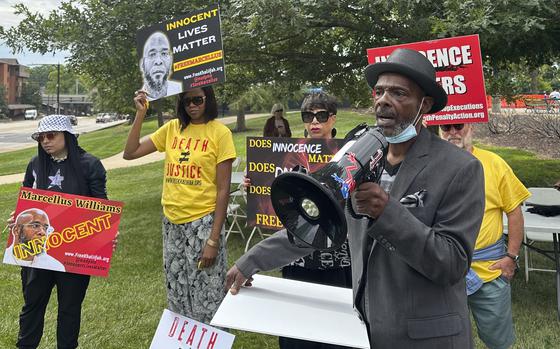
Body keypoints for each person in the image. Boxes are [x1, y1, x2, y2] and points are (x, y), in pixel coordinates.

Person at [226, 48, 485, 348]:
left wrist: (386, 212)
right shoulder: (358, 157)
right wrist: (252, 260)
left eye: (399, 93)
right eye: (379, 91)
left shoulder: (460, 168)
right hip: (365, 331)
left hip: (425, 337)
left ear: (424, 105)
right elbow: (317, 224)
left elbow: (451, 263)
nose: (383, 100)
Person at [124, 86, 236, 324]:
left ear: (209, 100)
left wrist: (213, 240)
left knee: (208, 296)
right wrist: (141, 114)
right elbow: (130, 153)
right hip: (172, 222)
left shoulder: (220, 133)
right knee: (178, 294)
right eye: (187, 102)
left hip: (203, 222)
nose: (192, 106)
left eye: (198, 100)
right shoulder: (173, 129)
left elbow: (223, 190)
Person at [255, 92, 352, 349]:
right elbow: (277, 195)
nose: (314, 122)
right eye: (308, 116)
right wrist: (254, 187)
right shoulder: (290, 153)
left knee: (338, 331)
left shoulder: (349, 152)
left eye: (321, 116)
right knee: (297, 331)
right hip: (296, 255)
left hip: (337, 255)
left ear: (332, 118)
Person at [12, 114, 107, 349]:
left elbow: (102, 208)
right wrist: (18, 218)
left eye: (51, 135)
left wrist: (105, 236)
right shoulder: (35, 165)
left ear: (67, 135)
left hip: (73, 252)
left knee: (69, 309)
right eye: (41, 137)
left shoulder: (90, 164)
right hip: (37, 251)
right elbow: (27, 200)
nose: (45, 141)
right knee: (32, 305)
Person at [440, 122, 530, 349]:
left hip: (489, 270)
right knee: (445, 340)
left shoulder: (494, 163)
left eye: (458, 126)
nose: (452, 133)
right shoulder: (430, 166)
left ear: (471, 126)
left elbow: (514, 211)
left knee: (498, 341)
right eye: (446, 127)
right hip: (443, 272)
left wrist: (511, 256)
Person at [139, 31, 182, 100]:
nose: (158, 61)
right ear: (142, 64)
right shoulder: (139, 100)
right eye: (152, 54)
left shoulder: (180, 88)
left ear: (171, 61)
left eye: (164, 53)